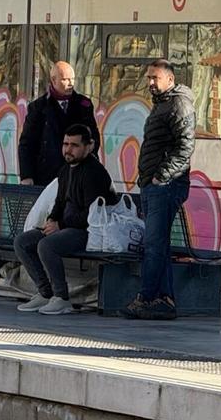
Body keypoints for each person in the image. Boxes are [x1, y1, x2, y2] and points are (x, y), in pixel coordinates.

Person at [14, 124, 114, 315]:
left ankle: (61, 298)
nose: (68, 149)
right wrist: (52, 220)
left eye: (74, 145)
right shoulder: (66, 170)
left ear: (89, 146)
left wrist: (60, 225)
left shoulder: (94, 173)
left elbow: (91, 214)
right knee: (23, 241)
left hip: (88, 232)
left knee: (47, 245)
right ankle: (45, 293)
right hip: (65, 227)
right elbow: (59, 202)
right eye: (65, 144)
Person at [124, 59, 196, 321]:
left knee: (154, 245)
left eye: (155, 78)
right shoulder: (164, 105)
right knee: (159, 245)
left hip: (165, 186)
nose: (150, 83)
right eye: (148, 78)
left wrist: (160, 177)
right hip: (155, 184)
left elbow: (185, 147)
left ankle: (146, 297)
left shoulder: (178, 104)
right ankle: (164, 300)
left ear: (170, 79)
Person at [18, 61, 100, 187]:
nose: (70, 84)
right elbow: (26, 144)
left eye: (72, 79)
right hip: (46, 176)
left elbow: (93, 137)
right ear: (54, 80)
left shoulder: (83, 104)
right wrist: (27, 176)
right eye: (65, 80)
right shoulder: (38, 107)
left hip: (77, 174)